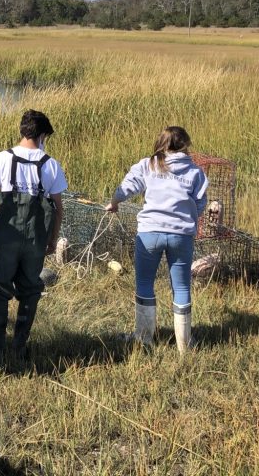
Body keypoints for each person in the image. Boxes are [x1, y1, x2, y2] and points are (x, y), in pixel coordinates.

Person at [105, 126, 208, 353]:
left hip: (149, 233)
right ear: (185, 145)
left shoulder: (148, 164)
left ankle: (144, 339)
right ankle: (185, 345)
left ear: (162, 143)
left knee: (144, 284)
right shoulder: (195, 172)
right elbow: (201, 204)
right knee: (181, 287)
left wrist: (114, 202)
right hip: (182, 236)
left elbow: (127, 187)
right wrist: (187, 217)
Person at [0, 109, 66, 365]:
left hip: (5, 235)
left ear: (22, 131)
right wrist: (53, 238)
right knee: (30, 290)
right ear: (41, 135)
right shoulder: (51, 164)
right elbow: (59, 208)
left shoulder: (2, 158)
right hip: (35, 239)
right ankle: (18, 348)